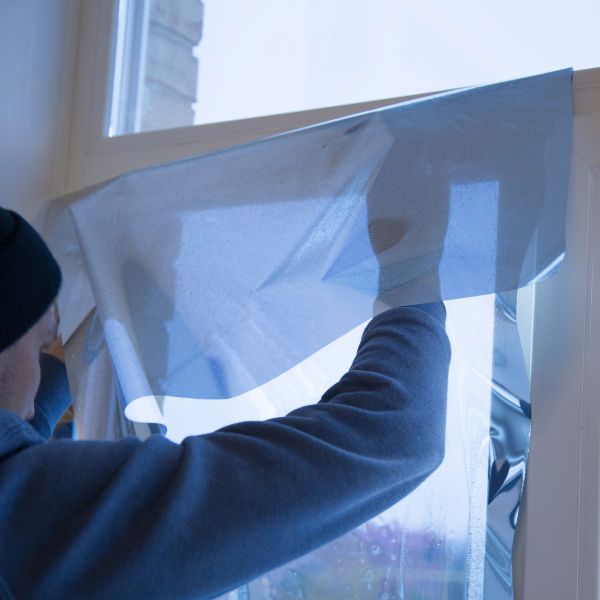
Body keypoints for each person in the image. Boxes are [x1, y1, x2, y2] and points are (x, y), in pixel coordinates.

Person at [0, 206, 451, 599]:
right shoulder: (24, 527)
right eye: (38, 345)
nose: (35, 394)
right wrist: (410, 267)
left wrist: (80, 345)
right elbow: (395, 433)